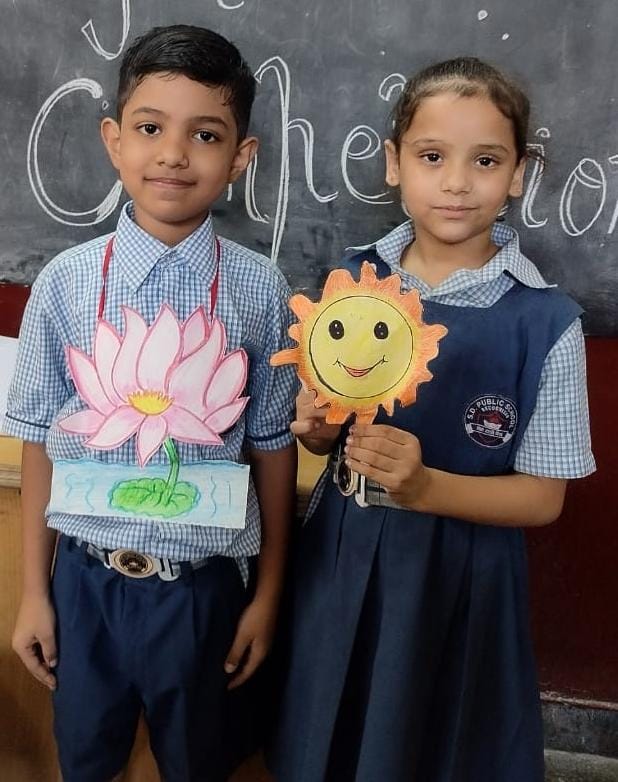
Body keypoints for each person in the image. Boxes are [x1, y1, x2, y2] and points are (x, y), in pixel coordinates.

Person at [270, 57, 595, 782]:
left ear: (518, 174)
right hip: (345, 553)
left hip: (463, 577)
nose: (456, 183)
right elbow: (327, 432)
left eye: (486, 161)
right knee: (329, 734)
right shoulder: (351, 283)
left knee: (434, 743)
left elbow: (543, 497)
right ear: (394, 164)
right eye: (431, 157)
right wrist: (317, 428)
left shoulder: (547, 323)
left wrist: (427, 489)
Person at [7, 24, 297, 782]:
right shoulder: (65, 284)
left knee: (198, 760)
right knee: (87, 758)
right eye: (149, 128)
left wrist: (268, 596)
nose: (173, 154)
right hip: (85, 587)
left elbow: (272, 447)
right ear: (113, 140)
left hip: (204, 593)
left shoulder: (259, 290)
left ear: (240, 156)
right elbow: (40, 441)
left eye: (205, 135)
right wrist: (35, 592)